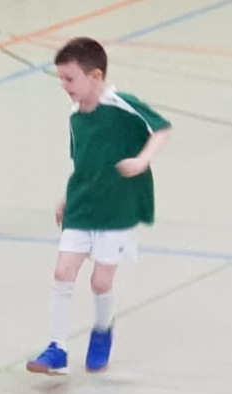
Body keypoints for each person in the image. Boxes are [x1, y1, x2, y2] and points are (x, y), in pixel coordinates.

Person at [26, 38, 172, 375]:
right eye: (61, 79)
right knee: (63, 272)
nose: (64, 86)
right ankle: (57, 348)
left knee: (100, 283)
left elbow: (162, 130)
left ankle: (103, 330)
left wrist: (142, 160)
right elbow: (82, 163)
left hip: (117, 208)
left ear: (96, 76)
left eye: (70, 79)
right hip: (82, 204)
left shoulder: (123, 105)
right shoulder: (75, 117)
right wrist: (67, 199)